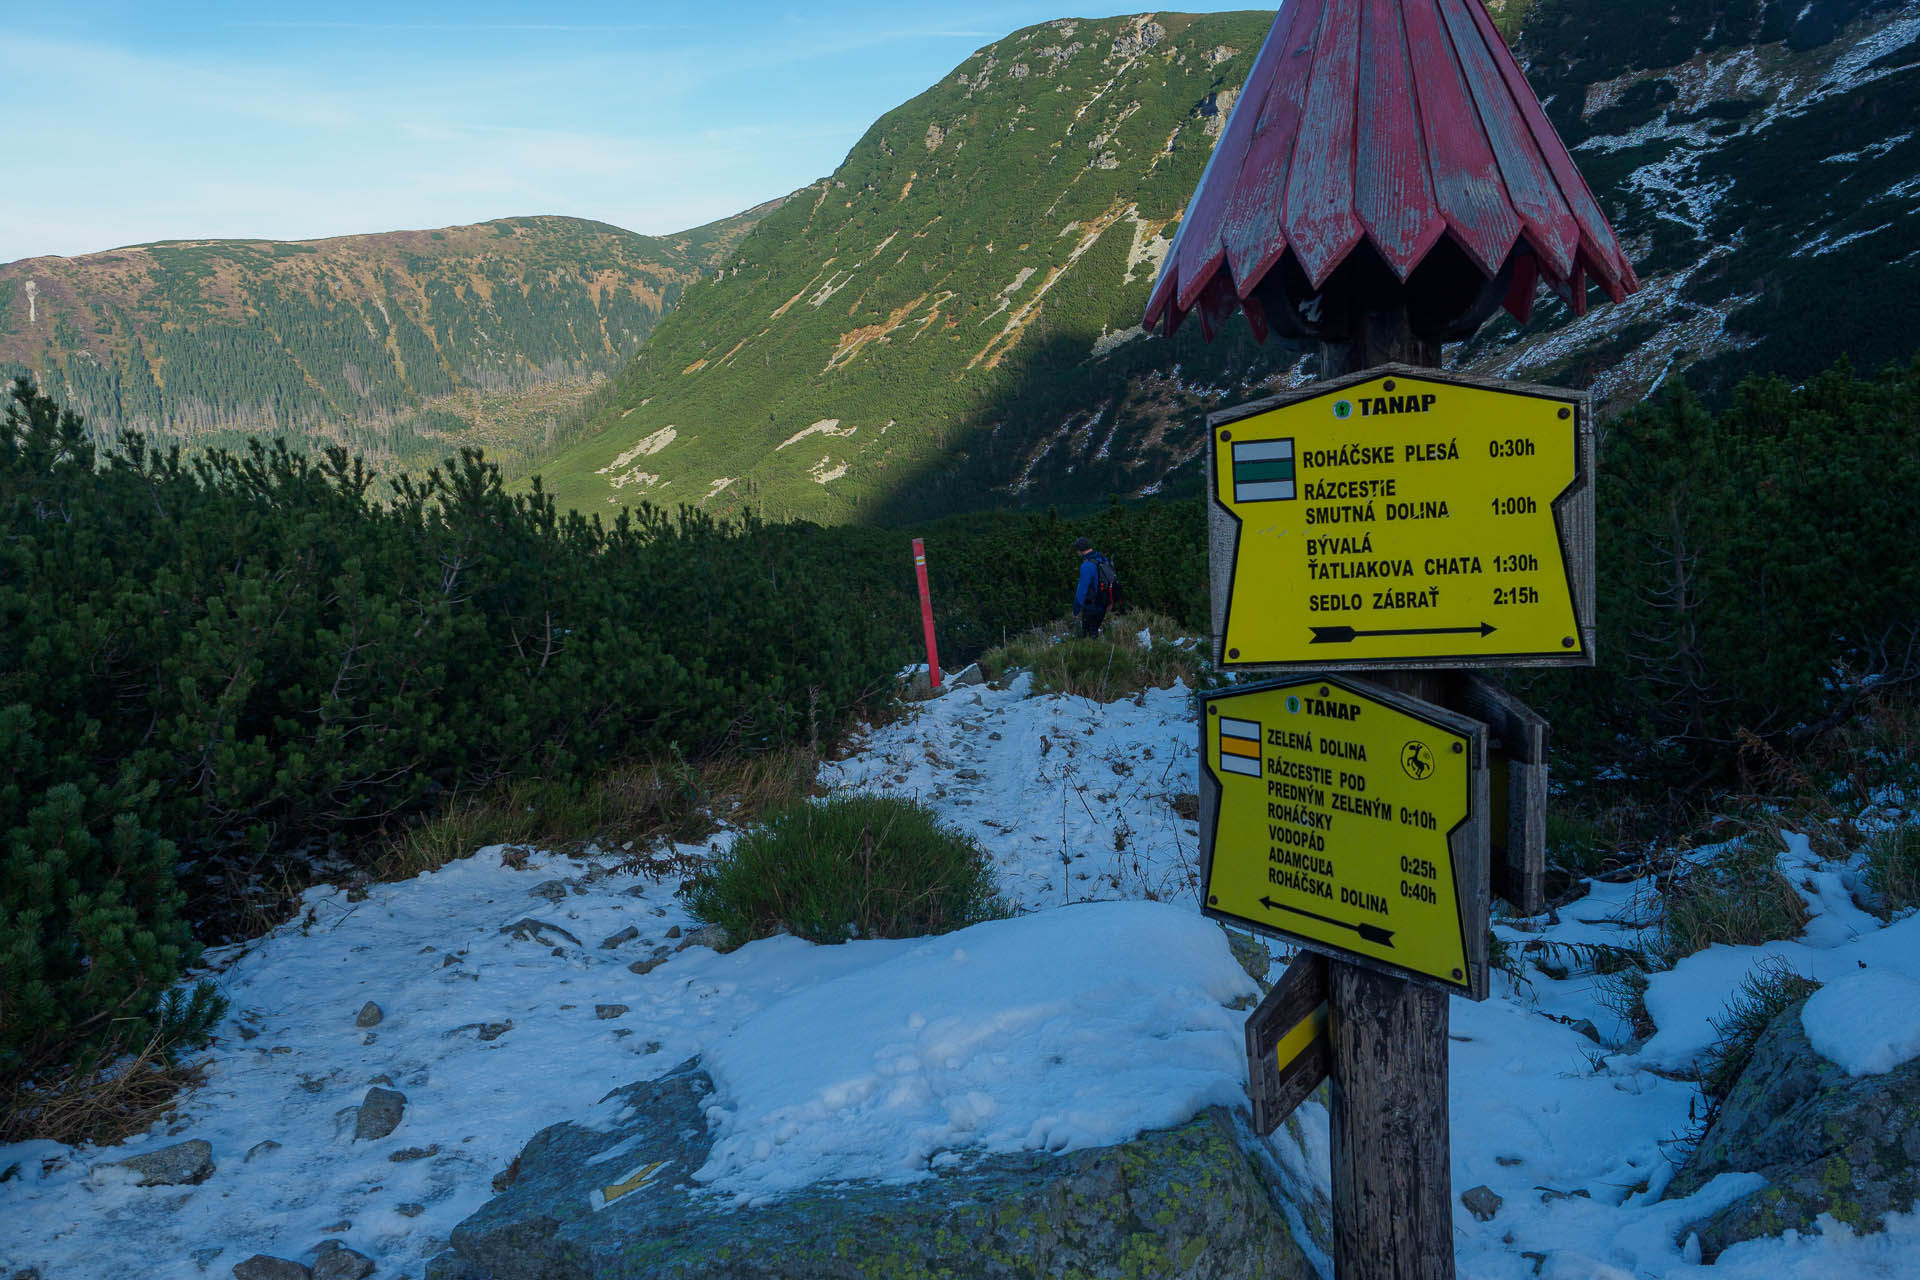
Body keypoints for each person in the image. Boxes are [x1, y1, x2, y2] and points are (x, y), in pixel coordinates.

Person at [1071, 536, 1119, 638]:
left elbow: (1081, 591)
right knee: (1094, 632)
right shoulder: (1102, 558)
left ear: (1080, 550)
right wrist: (1110, 602)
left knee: (1088, 636)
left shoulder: (1087, 565)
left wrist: (1075, 610)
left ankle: (1093, 653)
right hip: (1104, 602)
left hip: (1092, 605)